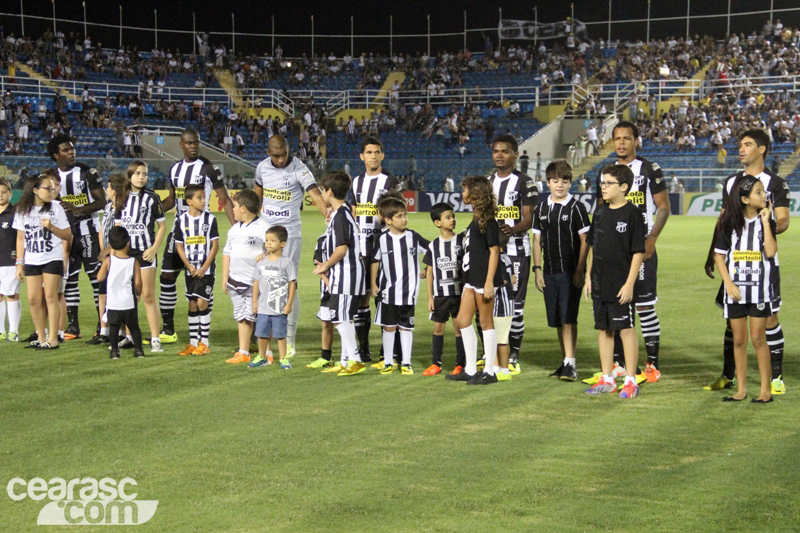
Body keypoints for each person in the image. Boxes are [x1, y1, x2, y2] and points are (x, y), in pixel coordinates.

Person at [704, 129, 790, 395]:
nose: (741, 149)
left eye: (748, 144)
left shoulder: (774, 183)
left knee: (769, 320)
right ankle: (729, 376)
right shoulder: (731, 182)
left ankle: (776, 378)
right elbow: (724, 220)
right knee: (733, 320)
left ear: (762, 149)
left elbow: (784, 219)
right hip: (735, 264)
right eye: (740, 144)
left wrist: (766, 228)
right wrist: (712, 255)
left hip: (763, 264)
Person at [586, 120, 669, 385]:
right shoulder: (606, 172)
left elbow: (663, 206)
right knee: (613, 306)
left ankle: (652, 364)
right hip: (612, 253)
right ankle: (618, 366)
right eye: (617, 138)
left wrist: (652, 238)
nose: (621, 143)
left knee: (642, 304)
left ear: (635, 141)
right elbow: (601, 211)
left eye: (626, 138)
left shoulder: (649, 169)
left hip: (638, 247)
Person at [254, 134, 327, 356]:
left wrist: (329, 217)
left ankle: (289, 339)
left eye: (284, 154)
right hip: (265, 234)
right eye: (276, 155)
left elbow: (315, 194)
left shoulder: (299, 168)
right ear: (269, 153)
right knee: (264, 283)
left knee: (286, 285)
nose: (280, 159)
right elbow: (258, 198)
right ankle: (263, 338)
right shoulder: (261, 168)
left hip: (290, 235)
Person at [159, 128, 234, 343]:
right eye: (189, 143)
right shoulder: (174, 170)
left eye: (196, 143)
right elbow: (172, 200)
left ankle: (203, 336)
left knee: (202, 280)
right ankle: (168, 329)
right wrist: (151, 211)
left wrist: (237, 228)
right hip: (179, 231)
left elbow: (225, 200)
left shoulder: (209, 169)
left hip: (201, 233)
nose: (194, 146)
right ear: (181, 145)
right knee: (166, 277)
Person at [584, 165, 646, 399]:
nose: (603, 187)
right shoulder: (600, 212)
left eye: (608, 183)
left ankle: (630, 380)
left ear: (623, 187)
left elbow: (638, 251)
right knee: (604, 329)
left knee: (626, 330)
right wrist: (589, 277)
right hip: (600, 282)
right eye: (602, 183)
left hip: (621, 283)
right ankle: (607, 378)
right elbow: (593, 246)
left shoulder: (633, 213)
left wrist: (630, 284)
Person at [713, 175, 777, 404]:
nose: (764, 196)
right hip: (736, 291)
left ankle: (765, 391)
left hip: (759, 290)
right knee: (739, 340)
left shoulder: (766, 219)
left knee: (759, 338)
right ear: (745, 199)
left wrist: (766, 222)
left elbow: (770, 252)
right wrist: (728, 284)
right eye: (758, 192)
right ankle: (741, 390)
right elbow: (719, 256)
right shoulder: (729, 222)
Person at [533, 159, 590, 381]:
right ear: (548, 182)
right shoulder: (541, 208)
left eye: (564, 181)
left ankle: (571, 364)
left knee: (568, 318)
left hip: (569, 271)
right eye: (555, 181)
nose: (560, 185)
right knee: (557, 318)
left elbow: (585, 240)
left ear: (570, 183)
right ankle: (565, 361)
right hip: (549, 271)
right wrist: (537, 270)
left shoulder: (577, 208)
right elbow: (536, 240)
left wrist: (579, 270)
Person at [350, 136, 402, 363]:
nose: (373, 156)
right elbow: (352, 211)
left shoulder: (390, 181)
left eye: (377, 152)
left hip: (383, 249)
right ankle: (363, 349)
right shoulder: (356, 182)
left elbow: (397, 211)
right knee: (362, 298)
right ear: (362, 156)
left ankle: (388, 350)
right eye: (368, 152)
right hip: (360, 249)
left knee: (383, 297)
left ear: (382, 155)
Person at [48, 134, 106, 340]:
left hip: (89, 232)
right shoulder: (50, 176)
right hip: (66, 236)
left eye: (72, 149)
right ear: (56, 155)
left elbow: (101, 202)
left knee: (96, 278)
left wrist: (76, 209)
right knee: (70, 280)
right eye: (66, 150)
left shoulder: (87, 172)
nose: (71, 152)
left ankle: (102, 326)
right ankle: (73, 327)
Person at [488, 134, 537, 373]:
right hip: (491, 251)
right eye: (496, 151)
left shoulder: (525, 183)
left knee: (514, 306)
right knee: (489, 302)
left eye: (504, 151)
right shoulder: (487, 182)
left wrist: (511, 229)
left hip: (516, 250)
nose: (499, 155)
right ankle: (492, 353)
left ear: (515, 154)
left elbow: (529, 217)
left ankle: (513, 354)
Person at [446, 176, 502, 385]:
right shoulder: (476, 218)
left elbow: (494, 251)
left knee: (486, 323)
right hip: (472, 278)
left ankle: (489, 371)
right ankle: (470, 369)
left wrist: (489, 282)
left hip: (483, 279)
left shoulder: (488, 221)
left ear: (476, 194)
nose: (463, 194)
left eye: (466, 190)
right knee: (462, 320)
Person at [311, 171, 366, 376]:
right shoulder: (340, 214)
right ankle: (345, 361)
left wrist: (325, 265)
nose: (322, 194)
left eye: (323, 190)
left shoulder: (342, 216)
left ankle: (355, 359)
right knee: (344, 318)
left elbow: (341, 249)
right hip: (347, 274)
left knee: (340, 319)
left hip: (347, 275)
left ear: (329, 191)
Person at [370, 196, 429, 375]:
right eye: (400, 216)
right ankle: (388, 361)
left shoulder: (413, 237)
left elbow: (432, 251)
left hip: (409, 293)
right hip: (388, 292)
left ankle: (406, 362)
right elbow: (375, 260)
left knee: (406, 327)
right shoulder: (381, 239)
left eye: (405, 215)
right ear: (388, 220)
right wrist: (373, 283)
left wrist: (427, 268)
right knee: (388, 327)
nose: (405, 219)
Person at [14, 174, 72, 350]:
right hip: (32, 259)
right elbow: (20, 239)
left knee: (50, 297)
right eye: (47, 188)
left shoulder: (56, 208)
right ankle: (41, 337)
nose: (51, 191)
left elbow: (67, 235)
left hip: (52, 258)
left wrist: (51, 227)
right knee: (33, 299)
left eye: (52, 188)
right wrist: (19, 263)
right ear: (35, 190)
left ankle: (53, 340)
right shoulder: (23, 210)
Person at [222, 190, 270, 364]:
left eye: (234, 206)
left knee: (261, 316)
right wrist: (224, 276)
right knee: (242, 317)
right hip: (235, 281)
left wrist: (264, 256)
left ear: (243, 208)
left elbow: (274, 250)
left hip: (254, 281)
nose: (232, 210)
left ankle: (268, 353)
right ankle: (243, 351)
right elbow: (227, 252)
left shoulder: (263, 227)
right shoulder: (234, 229)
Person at [174, 184, 219, 357]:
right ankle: (193, 343)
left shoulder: (210, 219)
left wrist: (204, 266)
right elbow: (179, 246)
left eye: (204, 197)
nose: (203, 200)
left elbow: (214, 245)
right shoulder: (181, 220)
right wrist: (189, 266)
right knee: (192, 304)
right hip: (190, 270)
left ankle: (204, 343)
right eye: (199, 198)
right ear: (189, 201)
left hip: (205, 269)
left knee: (201, 302)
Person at [422, 202, 465, 376]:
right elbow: (430, 272)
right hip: (440, 295)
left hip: (459, 294)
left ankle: (460, 364)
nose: (452, 220)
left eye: (453, 216)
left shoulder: (462, 240)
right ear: (437, 223)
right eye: (448, 217)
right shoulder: (433, 246)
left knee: (458, 328)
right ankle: (436, 364)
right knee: (438, 328)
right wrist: (430, 297)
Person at [251, 225, 297, 370]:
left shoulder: (286, 263)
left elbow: (292, 284)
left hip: (279, 307)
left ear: (282, 244)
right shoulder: (261, 263)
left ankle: (283, 359)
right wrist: (254, 302)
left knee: (280, 335)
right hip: (263, 307)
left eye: (272, 240)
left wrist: (289, 304)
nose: (268, 243)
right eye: (266, 240)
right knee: (262, 334)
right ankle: (262, 357)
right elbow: (256, 284)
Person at [97, 226, 144, 359]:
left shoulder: (109, 261)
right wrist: (138, 293)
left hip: (113, 302)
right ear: (128, 242)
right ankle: (139, 351)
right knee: (134, 327)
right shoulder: (134, 261)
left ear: (111, 245)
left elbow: (100, 278)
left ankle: (114, 352)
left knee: (114, 327)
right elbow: (138, 283)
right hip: (129, 301)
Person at [306, 207, 337, 369]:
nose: (328, 215)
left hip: (344, 287)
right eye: (327, 212)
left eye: (332, 212)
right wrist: (328, 282)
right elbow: (318, 265)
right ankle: (326, 357)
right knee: (326, 323)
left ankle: (349, 356)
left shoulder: (346, 237)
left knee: (344, 322)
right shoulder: (321, 240)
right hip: (327, 288)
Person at [0, 177, 22, 342]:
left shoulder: (15, 212)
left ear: (10, 193)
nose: (0, 195)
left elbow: (21, 238)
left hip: (10, 260)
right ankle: (1, 331)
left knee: (11, 294)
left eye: (4, 192)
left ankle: (13, 331)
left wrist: (20, 262)